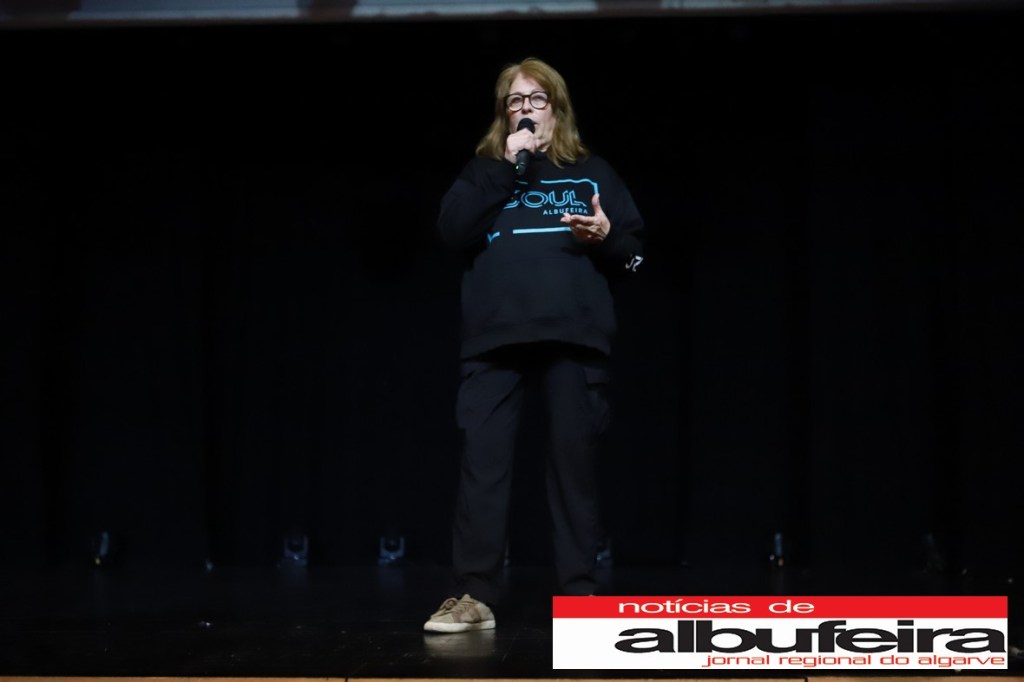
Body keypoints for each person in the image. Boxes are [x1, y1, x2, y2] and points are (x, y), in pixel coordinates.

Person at [423, 56, 645, 633]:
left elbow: (636, 258)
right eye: (515, 101)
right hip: (494, 340)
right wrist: (507, 166)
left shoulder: (592, 172)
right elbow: (451, 231)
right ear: (504, 115)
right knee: (483, 467)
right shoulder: (484, 172)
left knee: (574, 469)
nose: (526, 109)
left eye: (536, 99)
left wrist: (607, 237)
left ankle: (579, 596)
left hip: (573, 336)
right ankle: (473, 596)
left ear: (557, 109)